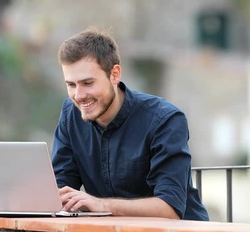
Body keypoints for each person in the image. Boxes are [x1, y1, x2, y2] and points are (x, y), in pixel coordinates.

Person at [52, 28, 209, 221]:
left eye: (87, 83)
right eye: (71, 85)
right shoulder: (70, 114)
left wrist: (101, 205)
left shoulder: (165, 119)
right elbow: (60, 188)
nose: (79, 95)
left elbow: (171, 208)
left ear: (115, 74)